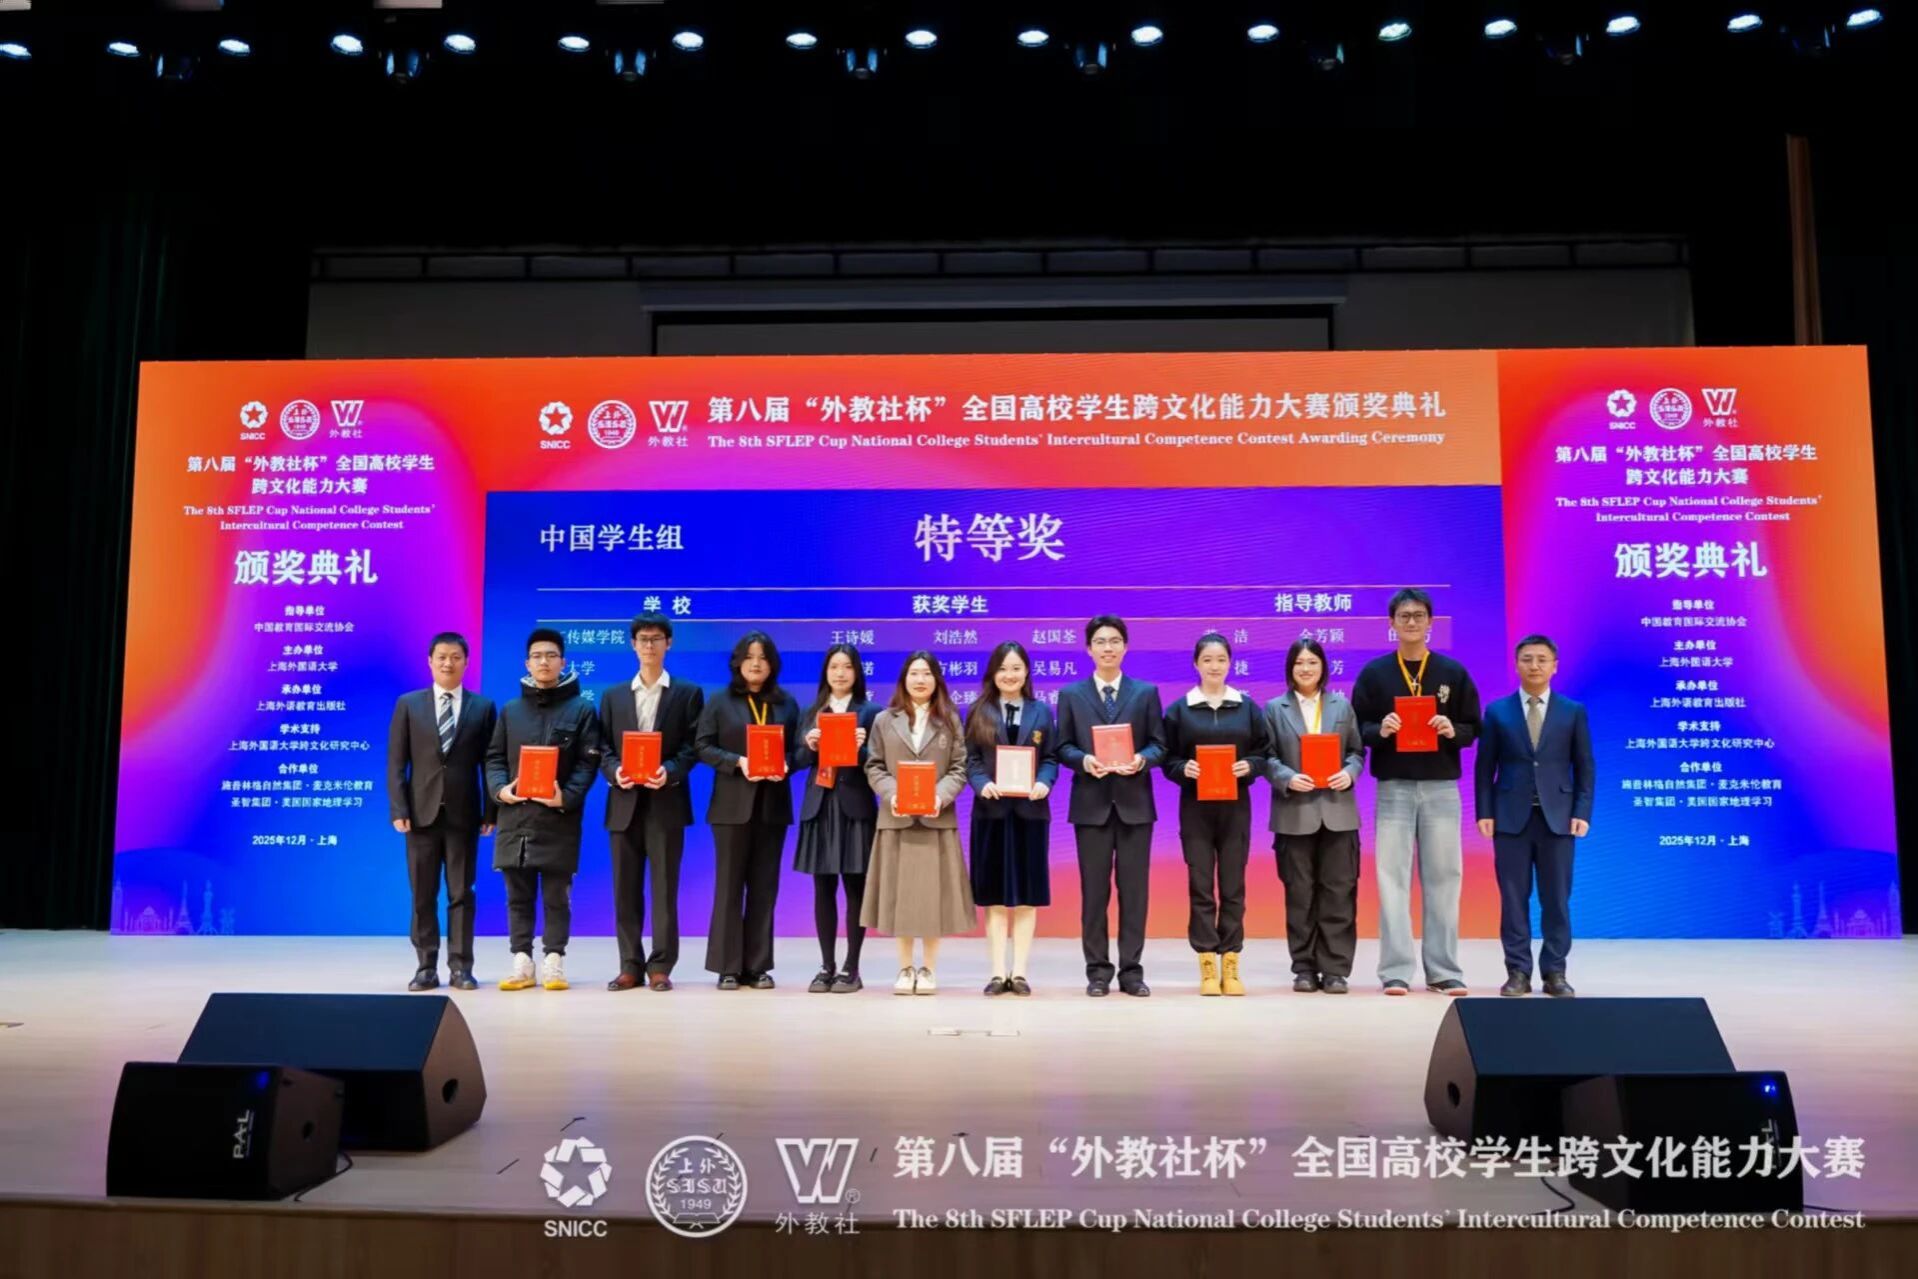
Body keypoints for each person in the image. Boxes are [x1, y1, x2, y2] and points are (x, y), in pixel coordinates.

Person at [1350, 588, 1482, 996]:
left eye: (1419, 615)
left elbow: (1472, 727)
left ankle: (1443, 970)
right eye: (1404, 616)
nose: (1411, 622)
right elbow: (1357, 729)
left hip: (1441, 786)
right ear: (1391, 623)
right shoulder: (1375, 673)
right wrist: (1381, 730)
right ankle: (1395, 970)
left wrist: (1452, 729)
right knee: (1391, 877)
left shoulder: (1451, 672)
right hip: (1394, 786)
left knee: (1445, 876)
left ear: (1430, 622)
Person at [484, 628, 603, 992]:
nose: (544, 662)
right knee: (517, 896)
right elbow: (494, 758)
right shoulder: (511, 710)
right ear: (527, 663)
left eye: (551, 656)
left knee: (556, 896)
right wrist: (502, 790)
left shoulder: (582, 710)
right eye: (537, 656)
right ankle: (522, 961)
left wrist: (565, 797)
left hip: (558, 817)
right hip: (515, 817)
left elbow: (588, 762)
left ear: (563, 661)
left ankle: (554, 961)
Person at [1476, 635, 1594, 998]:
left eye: (1542, 659)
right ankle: (1518, 972)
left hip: (1558, 819)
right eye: (1527, 659)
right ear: (1516, 665)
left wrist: (1582, 811)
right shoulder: (1498, 712)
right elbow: (1485, 768)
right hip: (1510, 819)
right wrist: (1484, 811)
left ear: (1555, 666)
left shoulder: (1572, 711)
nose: (1534, 666)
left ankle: (1555, 972)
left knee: (1556, 900)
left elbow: (1585, 766)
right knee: (1513, 900)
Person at [1055, 615, 1166, 997]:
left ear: (1125, 647)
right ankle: (1098, 972)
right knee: (1094, 894)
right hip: (1091, 807)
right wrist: (1084, 761)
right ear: (1088, 649)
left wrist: (1141, 760)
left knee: (1135, 893)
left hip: (1135, 807)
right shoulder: (1071, 695)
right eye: (1100, 641)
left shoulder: (1145, 692)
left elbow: (1159, 744)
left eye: (1115, 641)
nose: (1108, 648)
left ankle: (1131, 972)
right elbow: (1062, 746)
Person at [597, 612, 704, 992]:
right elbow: (602, 748)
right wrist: (615, 772)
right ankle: (629, 964)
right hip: (624, 803)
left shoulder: (687, 693)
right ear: (633, 644)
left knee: (664, 890)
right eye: (643, 639)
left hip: (666, 802)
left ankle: (661, 965)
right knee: (624, 890)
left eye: (656, 639)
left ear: (668, 643)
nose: (649, 645)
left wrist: (670, 771)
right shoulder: (612, 696)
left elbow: (694, 746)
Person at [387, 632, 497, 992]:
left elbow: (490, 763)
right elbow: (396, 762)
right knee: (423, 894)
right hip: (420, 815)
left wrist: (491, 811)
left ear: (466, 662)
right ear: (430, 662)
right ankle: (426, 967)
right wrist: (399, 807)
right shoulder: (409, 704)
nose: (448, 663)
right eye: (442, 657)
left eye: (455, 657)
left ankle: (461, 968)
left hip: (464, 816)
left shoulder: (482, 708)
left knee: (462, 894)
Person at [861, 652, 975, 995]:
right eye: (914, 673)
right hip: (896, 818)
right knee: (901, 897)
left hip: (936, 819)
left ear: (937, 680)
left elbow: (959, 768)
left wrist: (939, 796)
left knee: (932, 898)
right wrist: (892, 794)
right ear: (904, 679)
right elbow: (874, 766)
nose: (920, 680)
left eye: (927, 673)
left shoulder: (950, 720)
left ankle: (928, 969)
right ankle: (904, 968)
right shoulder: (884, 720)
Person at [1161, 632, 1269, 997]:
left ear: (1230, 663)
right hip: (1196, 810)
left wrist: (1249, 766)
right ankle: (1207, 962)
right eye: (1207, 659)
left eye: (1221, 659)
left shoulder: (1247, 707)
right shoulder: (1180, 710)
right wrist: (1183, 769)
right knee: (1201, 886)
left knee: (1234, 887)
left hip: (1235, 808)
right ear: (1196, 664)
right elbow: (1167, 757)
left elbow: (1263, 752)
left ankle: (1231, 961)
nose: (1214, 666)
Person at [695, 630, 801, 989]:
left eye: (763, 657)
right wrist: (738, 762)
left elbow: (800, 751)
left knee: (764, 888)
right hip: (730, 808)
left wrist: (787, 763)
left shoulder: (786, 704)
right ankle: (727, 966)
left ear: (772, 665)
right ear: (738, 662)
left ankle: (757, 966)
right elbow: (702, 746)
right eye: (750, 657)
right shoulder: (720, 701)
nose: (756, 664)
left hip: (772, 807)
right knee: (728, 887)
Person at [1264, 637, 1365, 995]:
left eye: (1312, 662)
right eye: (1299, 663)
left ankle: (1335, 969)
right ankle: (1304, 968)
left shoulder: (1342, 705)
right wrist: (1287, 777)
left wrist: (1350, 773)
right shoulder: (1274, 708)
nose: (1306, 669)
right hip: (1295, 813)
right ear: (1290, 669)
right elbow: (1266, 757)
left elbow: (1356, 752)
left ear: (1324, 667)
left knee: (1339, 892)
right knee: (1300, 894)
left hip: (1338, 812)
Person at [964, 641, 1057, 997]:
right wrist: (981, 783)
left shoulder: (1041, 711)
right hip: (991, 812)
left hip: (1031, 812)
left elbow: (1050, 757)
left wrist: (1043, 782)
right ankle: (996, 972)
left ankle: (1019, 973)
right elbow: (971, 759)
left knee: (1027, 895)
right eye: (1003, 669)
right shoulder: (978, 711)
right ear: (993, 673)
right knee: (995, 896)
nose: (1009, 675)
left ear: (1027, 672)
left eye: (1016, 668)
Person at [793, 644, 881, 994]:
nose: (840, 673)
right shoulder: (812, 711)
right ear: (825, 672)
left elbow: (880, 762)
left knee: (855, 888)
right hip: (820, 805)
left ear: (857, 672)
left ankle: (851, 967)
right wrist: (808, 745)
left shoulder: (871, 712)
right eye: (834, 667)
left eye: (847, 667)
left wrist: (862, 748)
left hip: (855, 807)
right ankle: (826, 965)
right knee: (823, 888)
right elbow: (795, 761)